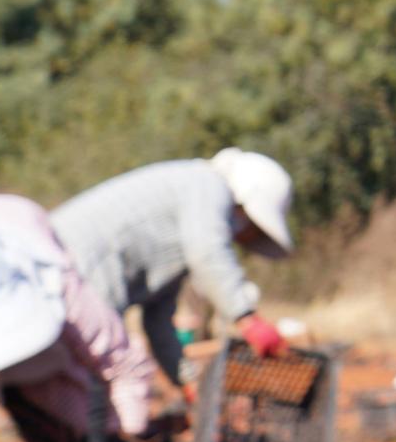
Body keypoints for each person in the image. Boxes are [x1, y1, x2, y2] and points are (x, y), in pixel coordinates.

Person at [48, 148, 297, 386]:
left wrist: (186, 380)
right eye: (252, 227)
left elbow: (158, 320)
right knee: (92, 379)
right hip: (72, 268)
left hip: (69, 276)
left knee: (72, 379)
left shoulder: (179, 235)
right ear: (244, 203)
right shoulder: (207, 185)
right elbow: (208, 251)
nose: (245, 237)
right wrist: (246, 317)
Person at [0, 195, 162, 442]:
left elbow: (123, 364)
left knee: (79, 413)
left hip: (52, 361)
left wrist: (123, 437)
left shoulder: (60, 285)